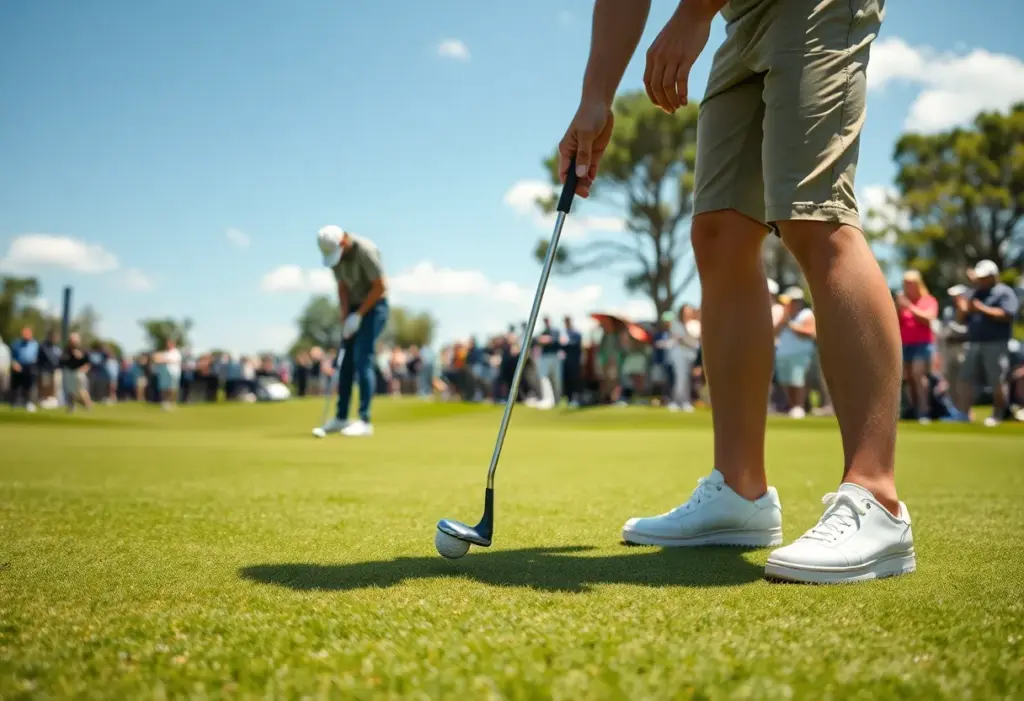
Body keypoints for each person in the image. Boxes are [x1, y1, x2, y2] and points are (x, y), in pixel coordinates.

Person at [559, 0, 913, 583]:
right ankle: (740, 492)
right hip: (741, 16)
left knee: (813, 215)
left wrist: (692, 14)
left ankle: (877, 499)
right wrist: (595, 96)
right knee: (720, 230)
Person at [316, 224, 389, 437]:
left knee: (362, 357)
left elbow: (380, 286)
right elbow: (342, 287)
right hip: (353, 307)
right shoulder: (335, 257)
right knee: (345, 361)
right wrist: (346, 315)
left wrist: (359, 316)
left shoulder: (365, 250)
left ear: (344, 240)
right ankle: (341, 417)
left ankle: (365, 420)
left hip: (375, 306)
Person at [956, 259, 1021, 427]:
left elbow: (1007, 314)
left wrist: (982, 308)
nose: (981, 280)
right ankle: (963, 415)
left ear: (993, 276)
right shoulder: (974, 293)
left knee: (997, 380)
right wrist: (963, 308)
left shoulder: (1004, 292)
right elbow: (962, 318)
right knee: (965, 379)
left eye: (984, 277)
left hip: (996, 343)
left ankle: (998, 415)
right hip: (973, 342)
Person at [896, 270, 939, 424]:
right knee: (908, 379)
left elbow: (929, 319)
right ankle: (913, 410)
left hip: (923, 344)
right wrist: (899, 308)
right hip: (905, 344)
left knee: (918, 376)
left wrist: (909, 307)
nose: (908, 287)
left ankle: (923, 411)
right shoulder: (902, 302)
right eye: (906, 284)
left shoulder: (928, 300)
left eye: (911, 284)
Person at [773, 288, 816, 419]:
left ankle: (799, 406)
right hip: (783, 353)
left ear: (797, 302)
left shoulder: (806, 314)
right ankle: (792, 406)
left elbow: (810, 332)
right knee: (786, 382)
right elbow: (775, 332)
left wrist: (790, 325)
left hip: (800, 354)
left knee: (798, 381)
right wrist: (783, 321)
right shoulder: (785, 316)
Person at [9, 326, 40, 411]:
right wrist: (14, 363)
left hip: (30, 367)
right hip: (18, 365)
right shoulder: (16, 344)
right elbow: (12, 355)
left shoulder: (35, 344)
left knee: (29, 386)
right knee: (16, 386)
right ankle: (15, 402)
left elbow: (38, 356)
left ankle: (28, 402)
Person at [60, 333, 93, 412]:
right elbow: (63, 360)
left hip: (79, 373)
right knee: (70, 392)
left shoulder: (83, 350)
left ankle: (88, 405)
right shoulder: (67, 350)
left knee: (81, 391)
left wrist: (83, 369)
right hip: (69, 372)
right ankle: (71, 407)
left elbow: (88, 363)